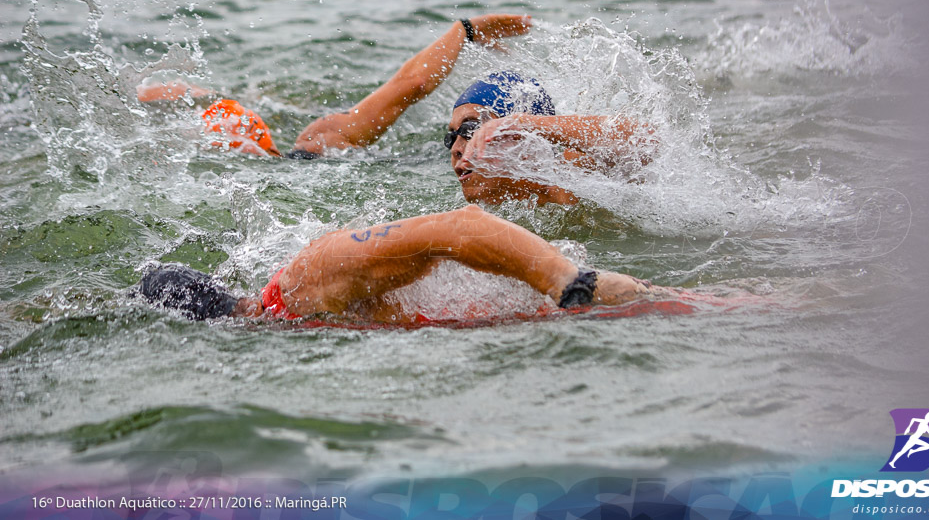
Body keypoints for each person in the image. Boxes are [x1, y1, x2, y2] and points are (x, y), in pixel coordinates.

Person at [136, 205, 685, 324]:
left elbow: (455, 227)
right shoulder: (288, 324)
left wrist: (569, 281)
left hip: (591, 304)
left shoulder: (306, 279)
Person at [137, 15, 532, 158]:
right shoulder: (324, 140)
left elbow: (411, 84)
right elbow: (411, 84)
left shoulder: (322, 140)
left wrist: (465, 30)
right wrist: (465, 30)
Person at [444, 71, 656, 205]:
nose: (456, 149)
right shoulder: (479, 217)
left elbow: (647, 141)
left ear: (522, 138)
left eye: (471, 129)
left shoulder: (574, 177)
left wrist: (525, 123)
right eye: (451, 137)